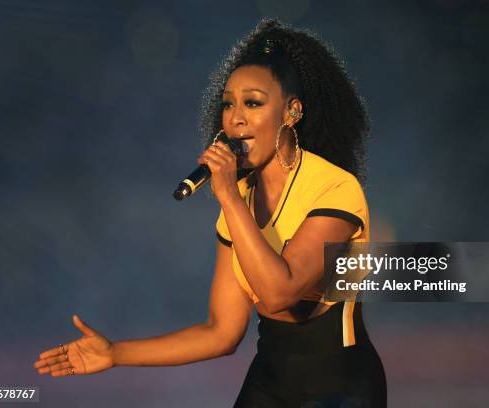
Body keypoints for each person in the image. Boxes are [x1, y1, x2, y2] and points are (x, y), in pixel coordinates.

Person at [34, 19, 386, 407]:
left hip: (340, 386)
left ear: (292, 111)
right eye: (228, 104)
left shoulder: (334, 188)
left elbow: (278, 294)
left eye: (252, 102)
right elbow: (221, 333)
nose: (235, 117)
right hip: (271, 381)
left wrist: (229, 198)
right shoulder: (239, 200)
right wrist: (115, 353)